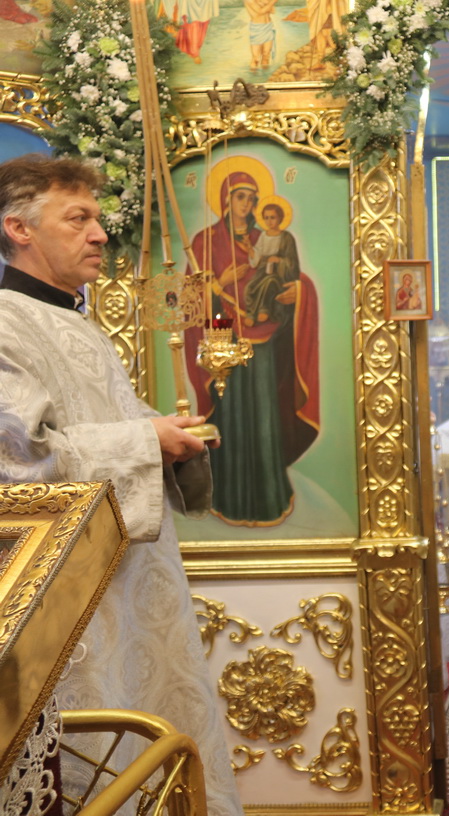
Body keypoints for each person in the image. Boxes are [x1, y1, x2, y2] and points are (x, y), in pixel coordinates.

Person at [0, 154, 242, 816]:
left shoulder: (72, 320)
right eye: (77, 218)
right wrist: (145, 440)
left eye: (98, 218)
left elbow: (99, 425)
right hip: (69, 602)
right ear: (19, 228)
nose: (100, 233)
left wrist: (167, 436)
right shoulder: (6, 321)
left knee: (154, 746)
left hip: (128, 585)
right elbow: (18, 461)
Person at [185, 164, 319, 526]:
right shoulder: (205, 241)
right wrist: (220, 284)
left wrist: (299, 292)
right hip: (224, 342)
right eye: (240, 197)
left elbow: (292, 277)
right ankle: (228, 495)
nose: (247, 204)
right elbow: (190, 300)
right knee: (230, 416)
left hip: (266, 344)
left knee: (264, 416)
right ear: (225, 199)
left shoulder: (268, 238)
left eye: (252, 198)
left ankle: (268, 495)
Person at [246, 201, 299, 325]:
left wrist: (279, 260)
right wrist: (249, 247)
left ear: (280, 218)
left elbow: (292, 262)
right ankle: (251, 314)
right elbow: (257, 256)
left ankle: (263, 310)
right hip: (263, 270)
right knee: (250, 287)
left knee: (270, 282)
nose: (269, 221)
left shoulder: (287, 237)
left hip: (279, 273)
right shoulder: (263, 235)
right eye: (266, 218)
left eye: (272, 217)